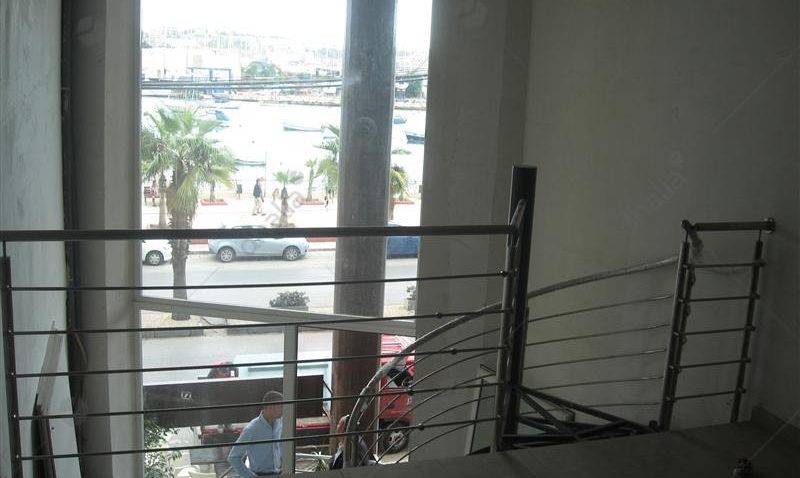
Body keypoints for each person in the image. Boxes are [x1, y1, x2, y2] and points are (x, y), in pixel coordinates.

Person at [228, 391, 283, 477]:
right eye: (281, 406)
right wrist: (250, 476)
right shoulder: (252, 429)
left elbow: (280, 447)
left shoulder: (280, 423)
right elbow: (233, 457)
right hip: (261, 474)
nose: (284, 409)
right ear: (271, 407)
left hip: (280, 473)